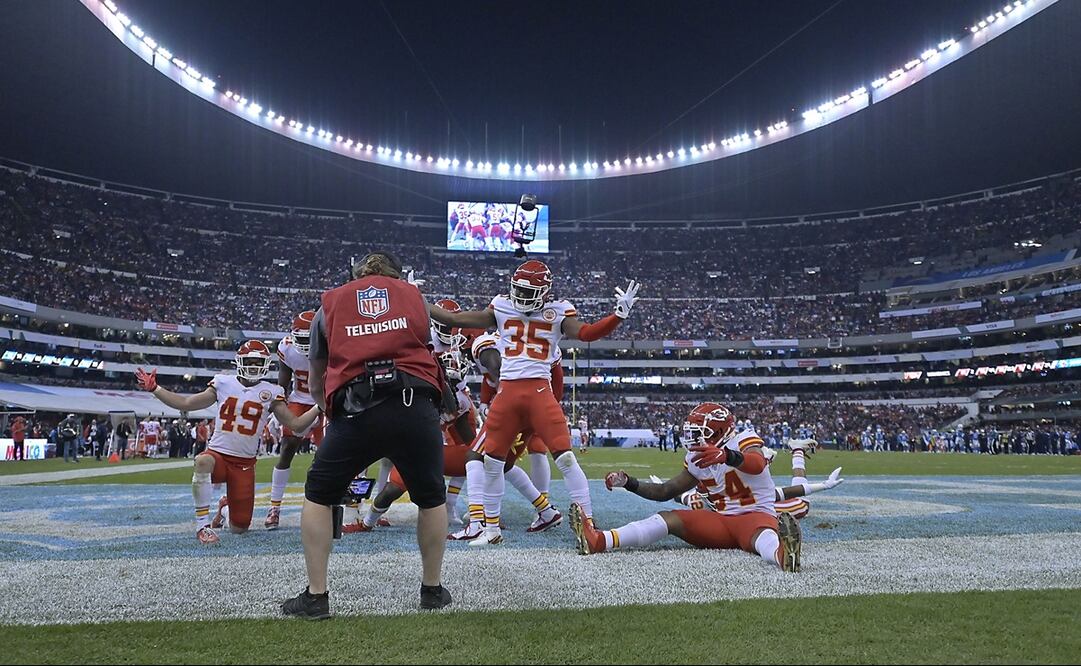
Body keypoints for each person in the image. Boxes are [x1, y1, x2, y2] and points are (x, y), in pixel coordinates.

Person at [282, 250, 453, 618]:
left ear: (355, 276)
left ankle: (316, 596)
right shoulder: (415, 298)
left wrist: (332, 411)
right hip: (415, 402)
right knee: (430, 496)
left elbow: (317, 377)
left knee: (319, 493)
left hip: (357, 408)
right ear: (397, 275)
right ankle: (432, 589)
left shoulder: (330, 305)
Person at [429, 259, 640, 546]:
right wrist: (412, 298)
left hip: (539, 391)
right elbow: (454, 320)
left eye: (529, 292)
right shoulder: (502, 307)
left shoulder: (558, 312)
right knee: (492, 462)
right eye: (519, 290)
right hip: (508, 394)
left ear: (545, 292)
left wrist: (618, 315)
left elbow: (587, 333)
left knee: (564, 457)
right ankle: (491, 530)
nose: (522, 298)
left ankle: (588, 524)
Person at [571, 402, 801, 572]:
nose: (693, 438)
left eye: (700, 433)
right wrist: (630, 483)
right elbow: (666, 491)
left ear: (721, 432)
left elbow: (757, 464)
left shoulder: (743, 440)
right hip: (721, 522)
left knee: (765, 537)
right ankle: (600, 540)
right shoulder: (696, 457)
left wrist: (726, 455)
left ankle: (783, 556)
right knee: (667, 518)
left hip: (756, 515)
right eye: (691, 432)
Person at [135, 341, 320, 545]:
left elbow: (296, 425)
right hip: (219, 456)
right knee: (203, 461)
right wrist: (155, 389)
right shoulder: (223, 383)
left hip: (245, 465)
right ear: (239, 361)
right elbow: (186, 403)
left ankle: (225, 507)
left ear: (266, 364)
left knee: (239, 528)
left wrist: (319, 406)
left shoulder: (272, 391)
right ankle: (202, 526)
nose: (253, 367)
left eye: (258, 362)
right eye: (249, 361)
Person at [266, 311, 324, 530]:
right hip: (300, 399)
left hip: (325, 400)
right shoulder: (287, 348)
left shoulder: (331, 343)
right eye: (302, 339)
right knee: (288, 446)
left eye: (312, 339)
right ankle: (274, 506)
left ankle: (324, 505)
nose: (307, 345)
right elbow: (283, 381)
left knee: (327, 453)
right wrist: (277, 408)